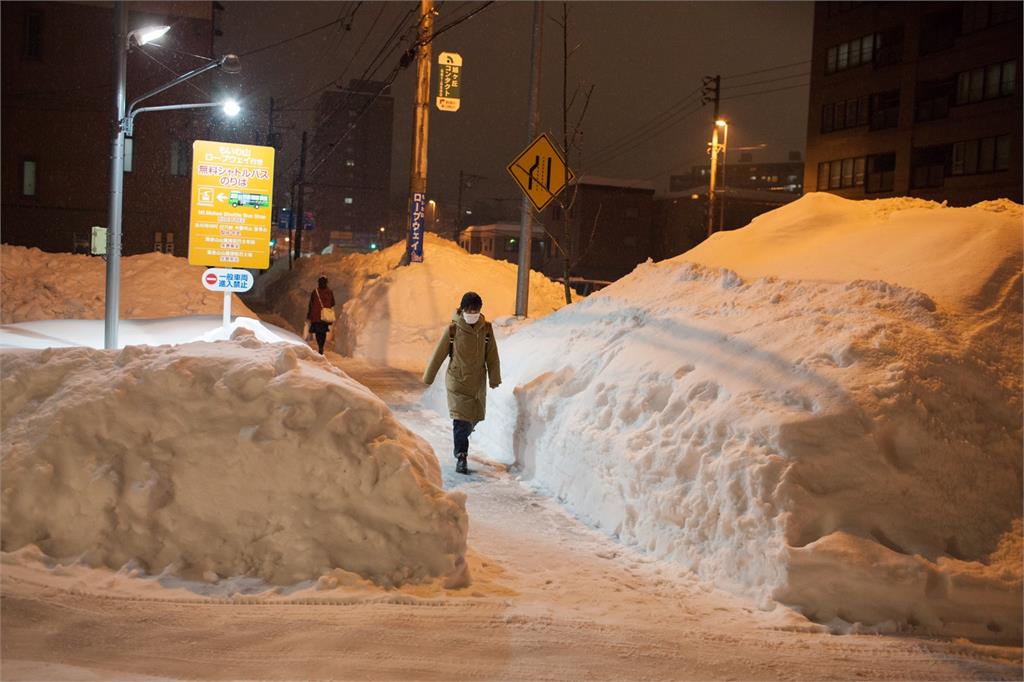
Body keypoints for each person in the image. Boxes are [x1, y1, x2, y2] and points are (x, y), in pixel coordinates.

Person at [423, 291, 501, 475]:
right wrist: (429, 376)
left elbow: (492, 356)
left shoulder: (486, 329)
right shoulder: (453, 329)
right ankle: (461, 456)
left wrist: (495, 378)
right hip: (457, 381)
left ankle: (464, 437)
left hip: (477, 384)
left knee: (472, 420)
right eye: (469, 309)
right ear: (462, 308)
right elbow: (438, 354)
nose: (472, 312)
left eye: (476, 309)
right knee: (461, 420)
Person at [306, 276, 335, 355]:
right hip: (325, 316)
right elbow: (333, 303)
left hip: (316, 315)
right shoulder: (329, 292)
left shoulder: (315, 292)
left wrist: (309, 314)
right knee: (323, 332)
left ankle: (320, 346)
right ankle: (321, 346)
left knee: (318, 332)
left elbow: (311, 304)